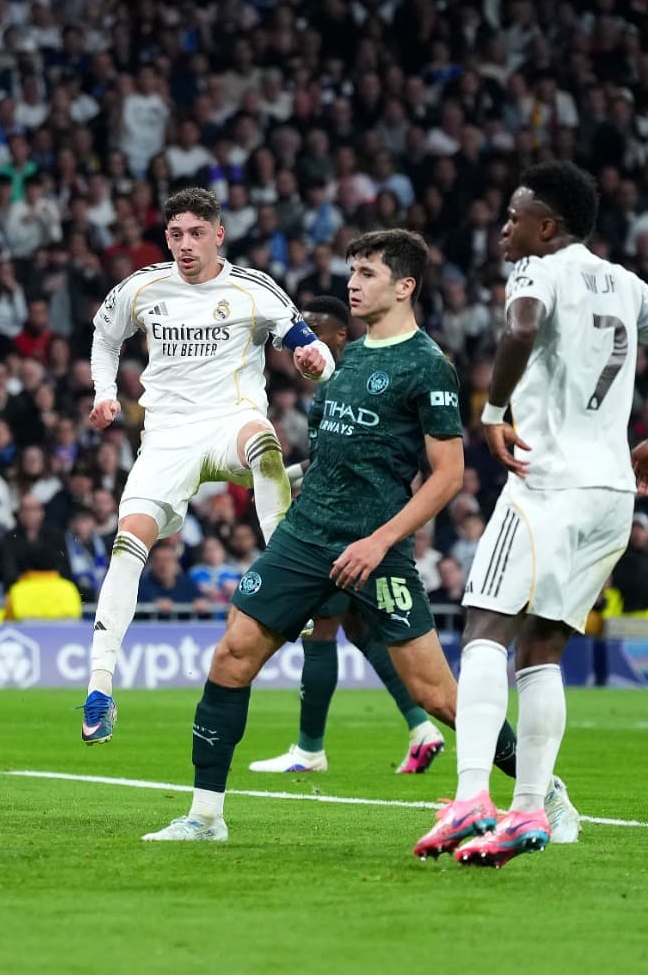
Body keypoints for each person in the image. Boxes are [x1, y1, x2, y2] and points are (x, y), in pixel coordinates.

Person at [142, 230, 514, 844]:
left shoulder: (428, 366)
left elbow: (448, 476)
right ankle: (205, 817)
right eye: (352, 271)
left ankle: (540, 791)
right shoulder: (351, 359)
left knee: (438, 697)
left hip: (375, 549)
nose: (352, 284)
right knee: (233, 654)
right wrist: (280, 482)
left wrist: (380, 541)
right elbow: (336, 458)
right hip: (305, 537)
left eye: (367, 273)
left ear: (405, 286)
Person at [437, 162, 648, 867]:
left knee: (484, 628)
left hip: (547, 482)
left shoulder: (537, 269)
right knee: (542, 652)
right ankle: (530, 809)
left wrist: (492, 411)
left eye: (514, 217)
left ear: (547, 227)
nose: (505, 229)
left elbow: (522, 326)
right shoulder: (625, 282)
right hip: (611, 493)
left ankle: (471, 796)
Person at [81, 187, 334, 744]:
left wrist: (315, 363)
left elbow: (315, 352)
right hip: (167, 437)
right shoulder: (142, 287)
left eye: (197, 233)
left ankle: (290, 584)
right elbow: (104, 338)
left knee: (262, 440)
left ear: (219, 234)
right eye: (176, 235)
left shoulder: (253, 289)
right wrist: (105, 392)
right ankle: (99, 686)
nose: (186, 245)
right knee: (128, 542)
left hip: (229, 422)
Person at [248, 296, 448, 775]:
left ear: (341, 336)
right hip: (351, 524)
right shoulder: (335, 383)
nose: (303, 339)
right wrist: (283, 475)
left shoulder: (359, 378)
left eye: (315, 329)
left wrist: (283, 477)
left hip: (347, 529)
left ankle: (309, 749)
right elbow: (327, 460)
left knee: (322, 631)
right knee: (359, 630)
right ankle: (420, 727)